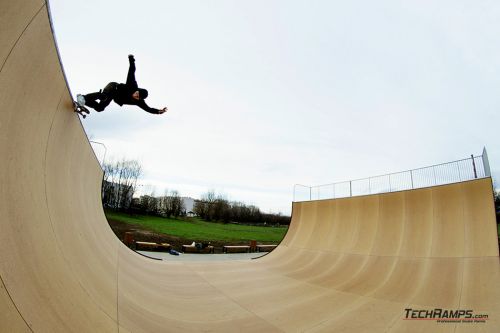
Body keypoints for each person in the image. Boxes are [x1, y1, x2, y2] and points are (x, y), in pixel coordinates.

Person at [76, 54, 167, 115]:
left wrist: (159, 111)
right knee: (104, 97)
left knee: (100, 108)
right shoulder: (132, 85)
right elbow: (132, 71)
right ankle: (83, 97)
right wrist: (132, 60)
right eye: (137, 93)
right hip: (113, 87)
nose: (135, 95)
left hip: (113, 96)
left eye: (137, 97)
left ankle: (85, 102)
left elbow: (148, 109)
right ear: (137, 90)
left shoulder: (139, 102)